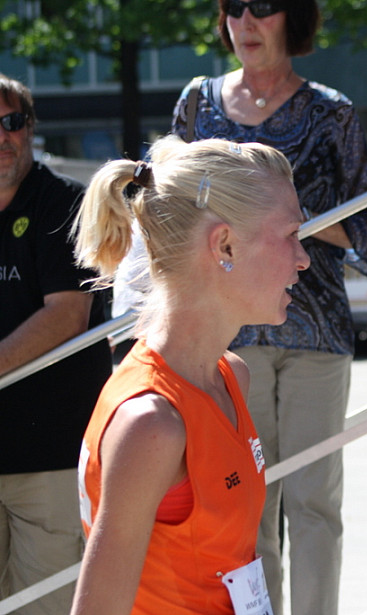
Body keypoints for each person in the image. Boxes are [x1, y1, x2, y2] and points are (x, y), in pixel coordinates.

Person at [166, 2, 367, 613]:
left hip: (316, 332)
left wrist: (288, 220)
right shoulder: (197, 103)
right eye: (233, 6)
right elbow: (168, 211)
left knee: (315, 503)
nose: (246, 21)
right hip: (225, 337)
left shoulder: (332, 111)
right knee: (245, 504)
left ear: (294, 17)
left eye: (262, 6)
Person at [70, 135, 310, 614]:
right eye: (290, 235)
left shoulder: (230, 376)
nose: (303, 257)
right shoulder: (151, 422)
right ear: (224, 245)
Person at [0, 73, 111, 615]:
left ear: (30, 128)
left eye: (11, 121)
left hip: (51, 458)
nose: (1, 137)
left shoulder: (64, 203)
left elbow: (68, 314)